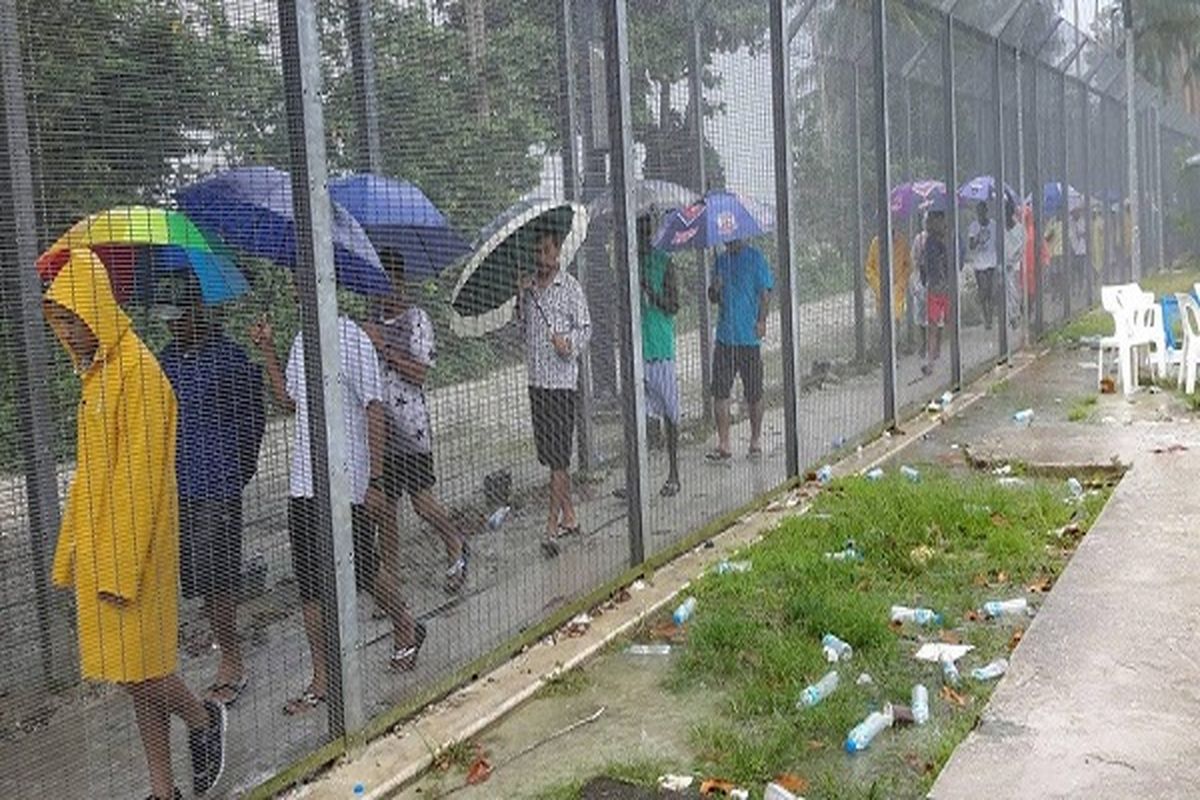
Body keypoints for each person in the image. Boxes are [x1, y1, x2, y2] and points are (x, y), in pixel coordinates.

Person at [45, 250, 226, 800]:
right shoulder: (96, 376)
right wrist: (72, 552)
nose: (70, 333)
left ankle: (203, 721)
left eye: (75, 320)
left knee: (140, 670)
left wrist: (118, 570)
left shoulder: (140, 373)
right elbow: (87, 479)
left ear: (98, 309)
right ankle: (161, 789)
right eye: (63, 323)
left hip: (136, 554)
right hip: (102, 549)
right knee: (133, 675)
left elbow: (140, 482)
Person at [251, 309, 425, 715]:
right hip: (305, 482)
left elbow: (374, 407)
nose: (299, 286)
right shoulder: (300, 338)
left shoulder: (354, 339)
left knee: (362, 568)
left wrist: (377, 480)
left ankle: (405, 622)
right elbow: (289, 400)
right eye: (296, 279)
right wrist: (268, 350)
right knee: (309, 581)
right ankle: (322, 677)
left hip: (349, 478)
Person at [157, 275, 265, 707]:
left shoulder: (228, 359)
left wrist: (238, 470)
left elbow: (252, 418)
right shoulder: (166, 360)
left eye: (178, 317)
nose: (171, 325)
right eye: (168, 319)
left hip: (217, 483)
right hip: (179, 485)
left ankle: (232, 661)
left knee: (220, 576)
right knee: (199, 578)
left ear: (198, 313)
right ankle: (223, 648)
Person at [364, 250, 468, 594]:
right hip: (379, 433)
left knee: (421, 501)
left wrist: (385, 349)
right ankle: (392, 580)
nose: (385, 291)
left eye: (391, 281)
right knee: (386, 510)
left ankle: (454, 541)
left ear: (401, 281)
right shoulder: (370, 320)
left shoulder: (417, 319)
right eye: (379, 283)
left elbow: (420, 372)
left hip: (411, 430)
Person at [518, 224, 591, 555]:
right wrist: (521, 298)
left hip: (561, 384)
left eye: (547, 251)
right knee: (550, 457)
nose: (542, 258)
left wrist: (568, 344)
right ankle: (570, 516)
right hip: (538, 382)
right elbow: (522, 329)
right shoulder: (530, 290)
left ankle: (551, 527)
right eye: (538, 251)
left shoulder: (570, 287)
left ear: (559, 251)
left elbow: (586, 327)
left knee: (560, 458)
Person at [706, 238, 773, 461]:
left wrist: (761, 320)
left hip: (748, 338)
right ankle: (724, 443)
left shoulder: (755, 258)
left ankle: (755, 440)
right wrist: (714, 289)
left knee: (754, 391)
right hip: (726, 336)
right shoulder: (721, 261)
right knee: (720, 391)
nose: (727, 242)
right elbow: (713, 298)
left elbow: (765, 293)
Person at [637, 214, 681, 496]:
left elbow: (673, 305)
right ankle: (637, 480)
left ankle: (674, 473)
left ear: (650, 231)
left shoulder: (664, 262)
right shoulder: (629, 264)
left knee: (669, 412)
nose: (639, 236)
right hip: (636, 350)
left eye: (643, 230)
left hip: (660, 349)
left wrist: (652, 294)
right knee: (639, 417)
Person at [919, 208, 949, 375]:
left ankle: (950, 358)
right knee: (932, 325)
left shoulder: (946, 239)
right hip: (935, 289)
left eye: (935, 220)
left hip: (946, 288)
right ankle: (930, 363)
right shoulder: (928, 242)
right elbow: (925, 266)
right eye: (930, 220)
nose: (931, 223)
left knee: (947, 322)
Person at [864, 223, 911, 320]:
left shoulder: (901, 242)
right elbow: (869, 268)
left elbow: (908, 266)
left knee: (896, 319)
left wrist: (900, 284)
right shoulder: (875, 243)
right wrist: (878, 285)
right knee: (884, 320)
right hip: (882, 293)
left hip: (897, 292)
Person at [966, 200, 999, 329]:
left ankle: (989, 318)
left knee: (990, 291)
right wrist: (977, 239)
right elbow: (971, 246)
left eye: (982, 211)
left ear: (986, 211)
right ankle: (986, 316)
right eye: (978, 212)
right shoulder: (973, 227)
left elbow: (998, 241)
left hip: (991, 262)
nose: (980, 214)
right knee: (983, 291)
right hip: (979, 263)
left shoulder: (994, 225)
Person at [1003, 197, 1026, 329]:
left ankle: (1017, 311)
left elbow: (1022, 248)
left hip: (1016, 264)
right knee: (1007, 291)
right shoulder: (1002, 229)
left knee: (1015, 291)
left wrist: (1014, 260)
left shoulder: (1019, 229)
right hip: (1005, 264)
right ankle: (1012, 316)